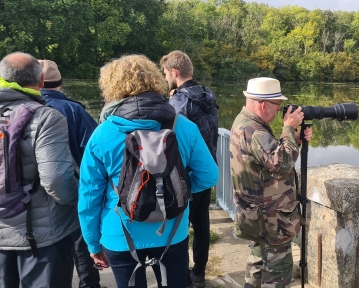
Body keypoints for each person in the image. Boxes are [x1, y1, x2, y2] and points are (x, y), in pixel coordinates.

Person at [78, 54, 219, 288]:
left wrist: (93, 244)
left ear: (112, 86)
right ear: (155, 80)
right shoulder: (183, 126)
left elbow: (89, 197)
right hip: (172, 229)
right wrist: (178, 189)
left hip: (120, 233)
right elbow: (209, 175)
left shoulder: (103, 133)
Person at [0, 52, 79, 287]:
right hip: (42, 237)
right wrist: (79, 202)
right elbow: (57, 181)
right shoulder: (46, 118)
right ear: (41, 82)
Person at [229, 77, 312, 288]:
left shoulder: (245, 123)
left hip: (256, 214)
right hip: (271, 219)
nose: (279, 110)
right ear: (264, 104)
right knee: (277, 273)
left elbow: (268, 158)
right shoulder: (255, 130)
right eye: (277, 105)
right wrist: (288, 129)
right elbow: (281, 163)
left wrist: (294, 139)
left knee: (257, 263)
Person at [38, 59, 101, 288]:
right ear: (61, 83)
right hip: (75, 189)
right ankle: (89, 284)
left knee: (48, 254)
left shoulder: (22, 112)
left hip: (34, 198)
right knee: (82, 246)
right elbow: (94, 151)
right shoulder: (75, 110)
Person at [159, 50, 219, 287]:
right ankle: (200, 273)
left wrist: (170, 101)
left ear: (175, 72)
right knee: (202, 223)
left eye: (165, 74)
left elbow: (171, 136)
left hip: (183, 176)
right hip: (206, 169)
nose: (165, 79)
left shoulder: (178, 102)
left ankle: (183, 274)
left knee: (180, 227)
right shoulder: (208, 94)